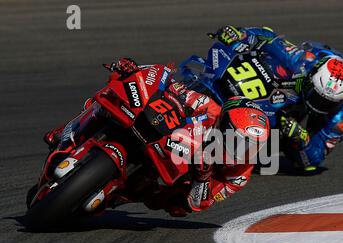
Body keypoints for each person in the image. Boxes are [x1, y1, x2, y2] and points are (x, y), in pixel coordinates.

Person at [44, 58, 270, 217]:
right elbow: (173, 87)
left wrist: (203, 177)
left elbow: (199, 203)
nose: (242, 149)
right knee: (110, 97)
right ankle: (68, 131)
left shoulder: (239, 175)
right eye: (238, 140)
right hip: (167, 138)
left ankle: (114, 193)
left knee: (171, 204)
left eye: (251, 146)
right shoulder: (208, 108)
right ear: (223, 123)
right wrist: (135, 72)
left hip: (178, 178)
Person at [209, 26, 343, 172]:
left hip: (337, 101)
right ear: (311, 81)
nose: (320, 105)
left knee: (293, 146)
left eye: (327, 103)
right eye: (317, 98)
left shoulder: (342, 113)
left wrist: (301, 139)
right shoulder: (305, 61)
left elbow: (314, 160)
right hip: (317, 60)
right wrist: (240, 34)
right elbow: (269, 37)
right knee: (275, 69)